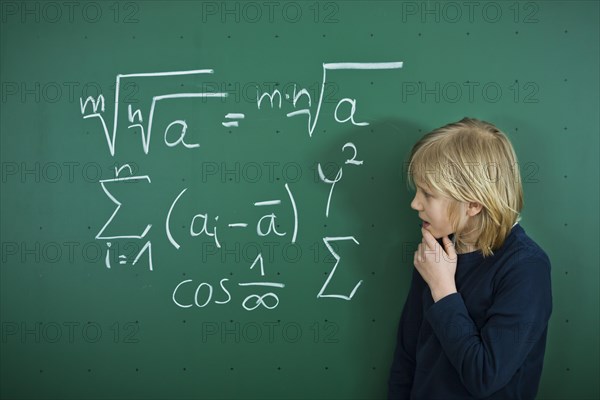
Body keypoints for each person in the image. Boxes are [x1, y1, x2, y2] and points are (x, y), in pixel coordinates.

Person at [388, 118, 553, 399]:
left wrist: (443, 290)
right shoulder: (434, 253)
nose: (414, 204)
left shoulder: (526, 268)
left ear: (474, 203)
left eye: (428, 194)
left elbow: (486, 376)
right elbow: (408, 355)